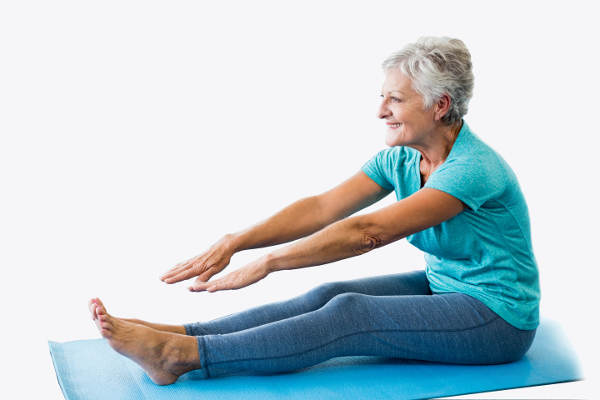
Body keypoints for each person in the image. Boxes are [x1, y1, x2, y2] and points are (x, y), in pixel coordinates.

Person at [88, 36, 540, 385]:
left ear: (440, 105)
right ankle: (185, 334)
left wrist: (270, 261)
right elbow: (323, 207)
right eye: (382, 96)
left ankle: (179, 357)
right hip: (444, 289)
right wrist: (236, 241)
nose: (381, 111)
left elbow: (367, 232)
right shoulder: (403, 158)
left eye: (396, 99)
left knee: (351, 314)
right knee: (330, 293)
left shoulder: (472, 169)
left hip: (498, 320)